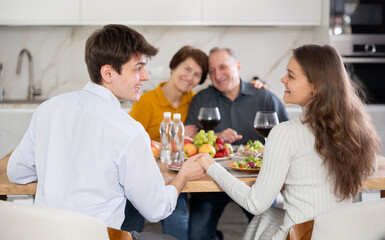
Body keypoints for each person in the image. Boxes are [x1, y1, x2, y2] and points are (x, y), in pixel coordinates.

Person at [7, 24, 205, 240]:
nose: (146, 76)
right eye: (138, 68)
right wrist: (183, 176)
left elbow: (17, 172)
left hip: (44, 235)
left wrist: (57, 168)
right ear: (108, 73)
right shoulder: (129, 130)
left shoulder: (49, 108)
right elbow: (156, 209)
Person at [196, 44, 380, 240]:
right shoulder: (355, 129)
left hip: (300, 236)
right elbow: (370, 168)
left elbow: (255, 203)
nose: (283, 80)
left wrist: (211, 165)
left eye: (291, 76)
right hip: (340, 234)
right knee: (268, 216)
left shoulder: (285, 133)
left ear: (316, 86)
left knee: (262, 216)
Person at [185, 47, 289, 240]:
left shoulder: (264, 97)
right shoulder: (201, 99)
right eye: (212, 70)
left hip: (256, 183)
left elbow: (287, 136)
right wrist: (216, 137)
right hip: (211, 182)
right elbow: (190, 143)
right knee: (198, 234)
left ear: (238, 66)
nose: (217, 75)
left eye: (223, 67)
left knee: (269, 230)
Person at [122, 45, 209, 240]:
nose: (189, 77)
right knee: (131, 224)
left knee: (178, 222)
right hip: (141, 176)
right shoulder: (146, 101)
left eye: (197, 75)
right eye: (186, 69)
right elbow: (129, 142)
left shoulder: (195, 101)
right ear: (174, 67)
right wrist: (170, 137)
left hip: (174, 175)